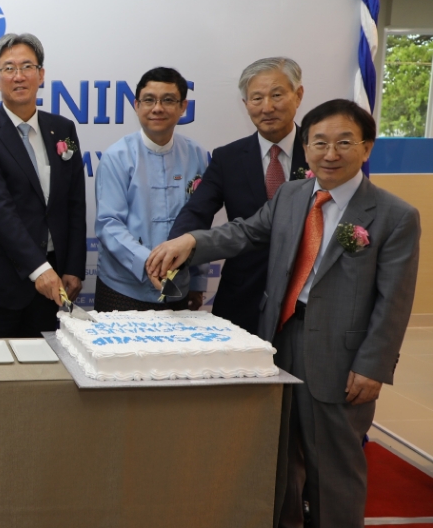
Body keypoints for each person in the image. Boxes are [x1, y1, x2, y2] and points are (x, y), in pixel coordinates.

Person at [147, 99, 420, 528]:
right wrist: (192, 242)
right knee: (279, 462)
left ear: (366, 148)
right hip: (278, 341)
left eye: (344, 142)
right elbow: (244, 232)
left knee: (333, 470)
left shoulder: (394, 216)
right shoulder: (291, 195)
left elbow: (395, 302)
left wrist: (373, 366)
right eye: (320, 143)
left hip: (340, 359)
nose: (330, 153)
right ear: (305, 148)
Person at [169, 57, 310, 333]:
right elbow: (197, 210)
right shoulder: (228, 158)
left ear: (298, 95)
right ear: (245, 104)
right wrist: (175, 247)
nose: (267, 107)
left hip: (304, 298)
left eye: (277, 95)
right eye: (256, 98)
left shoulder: (321, 153)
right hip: (243, 297)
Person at [0, 33, 86, 338]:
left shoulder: (63, 129)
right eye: (9, 68)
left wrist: (73, 267)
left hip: (54, 281)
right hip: (1, 284)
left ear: (41, 75)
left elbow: (75, 202)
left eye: (27, 66)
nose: (18, 76)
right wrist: (39, 269)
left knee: (48, 362)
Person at [93, 67, 208, 312]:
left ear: (183, 106)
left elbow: (201, 220)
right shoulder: (117, 157)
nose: (157, 108)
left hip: (178, 286)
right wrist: (149, 262)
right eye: (149, 100)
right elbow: (109, 224)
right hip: (123, 288)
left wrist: (197, 280)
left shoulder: (197, 155)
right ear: (136, 105)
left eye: (168, 100)